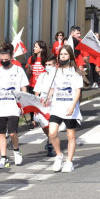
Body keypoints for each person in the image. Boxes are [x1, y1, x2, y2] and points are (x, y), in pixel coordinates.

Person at [0, 43, 29, 168]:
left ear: (11, 58)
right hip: (0, 107)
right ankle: (3, 158)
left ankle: (16, 150)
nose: (3, 62)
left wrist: (23, 104)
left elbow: (23, 87)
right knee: (1, 134)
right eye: (1, 60)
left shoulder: (18, 70)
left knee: (12, 133)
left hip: (14, 107)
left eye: (6, 60)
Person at [40, 45, 83, 173]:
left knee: (71, 135)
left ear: (70, 56)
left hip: (70, 107)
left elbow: (78, 91)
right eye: (61, 54)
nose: (62, 56)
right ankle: (59, 155)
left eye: (65, 54)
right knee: (52, 133)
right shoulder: (55, 71)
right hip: (57, 107)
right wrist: (47, 98)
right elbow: (52, 88)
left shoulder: (75, 72)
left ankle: (69, 162)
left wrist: (73, 105)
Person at [33, 55, 58, 157]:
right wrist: (36, 103)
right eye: (46, 65)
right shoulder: (42, 76)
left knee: (52, 125)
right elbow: (36, 92)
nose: (47, 66)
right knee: (44, 125)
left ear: (55, 65)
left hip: (54, 104)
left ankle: (50, 145)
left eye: (50, 65)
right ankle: (50, 138)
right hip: (42, 104)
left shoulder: (58, 76)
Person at [25, 40, 48, 129]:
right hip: (32, 84)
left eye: (36, 47)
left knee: (42, 103)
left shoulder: (46, 59)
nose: (34, 48)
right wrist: (29, 69)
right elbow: (28, 72)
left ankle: (43, 119)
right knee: (32, 103)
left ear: (41, 49)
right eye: (34, 47)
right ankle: (33, 121)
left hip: (43, 86)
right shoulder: (31, 59)